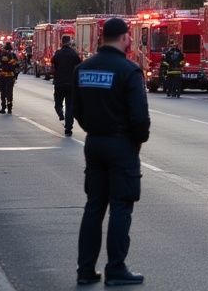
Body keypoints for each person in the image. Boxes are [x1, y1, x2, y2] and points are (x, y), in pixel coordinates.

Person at [69, 17, 148, 287]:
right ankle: (116, 269)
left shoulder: (83, 69)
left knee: (94, 207)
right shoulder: (129, 71)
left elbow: (76, 109)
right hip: (121, 145)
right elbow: (139, 117)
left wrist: (93, 128)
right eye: (129, 36)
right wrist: (136, 141)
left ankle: (85, 270)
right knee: (121, 207)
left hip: (94, 143)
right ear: (124, 38)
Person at [51, 35, 81, 135]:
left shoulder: (58, 54)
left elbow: (53, 66)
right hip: (71, 84)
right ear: (70, 42)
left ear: (61, 42)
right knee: (70, 106)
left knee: (58, 104)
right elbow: (79, 66)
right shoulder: (74, 54)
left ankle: (60, 114)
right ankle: (68, 128)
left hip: (59, 83)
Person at [0, 41, 20, 113]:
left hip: (1, 77)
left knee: (2, 92)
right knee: (9, 92)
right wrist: (15, 76)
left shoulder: (0, 55)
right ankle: (9, 108)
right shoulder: (13, 55)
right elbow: (17, 67)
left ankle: (3, 107)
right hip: (10, 77)